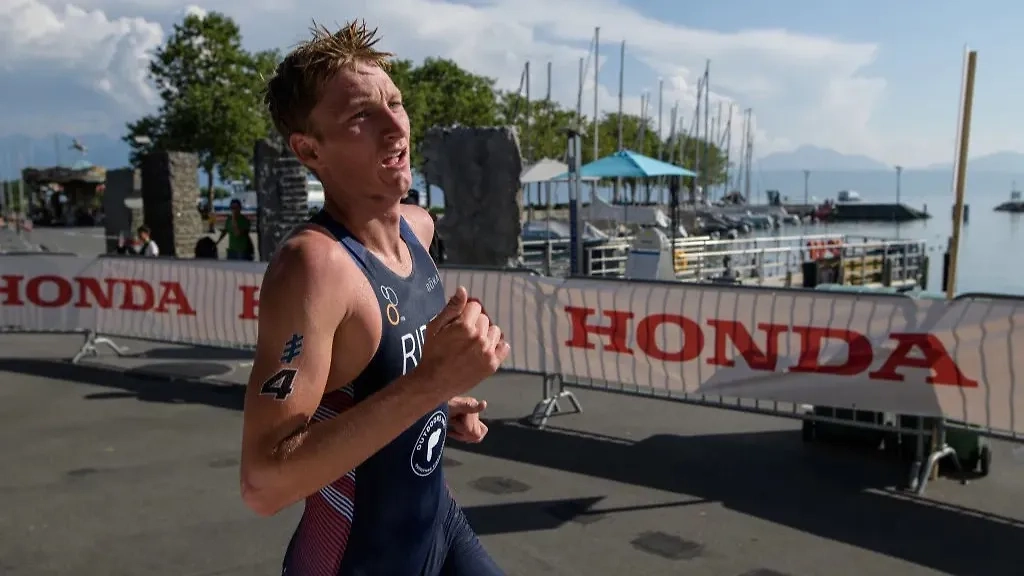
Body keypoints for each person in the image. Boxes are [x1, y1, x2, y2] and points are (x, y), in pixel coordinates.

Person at [240, 20, 509, 576]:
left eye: (395, 102)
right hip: (358, 558)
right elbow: (264, 483)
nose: (395, 127)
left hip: (438, 527)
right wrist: (429, 384)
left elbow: (370, 388)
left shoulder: (419, 228)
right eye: (361, 115)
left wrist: (433, 407)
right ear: (309, 149)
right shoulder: (314, 268)